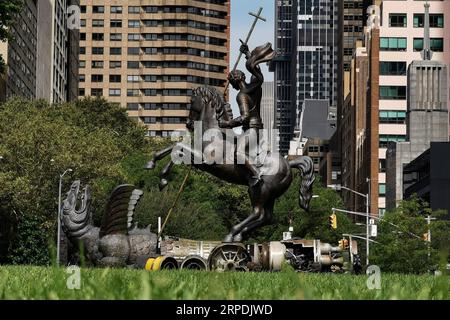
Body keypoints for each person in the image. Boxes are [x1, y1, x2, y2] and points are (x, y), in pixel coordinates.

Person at [218, 42, 276, 187]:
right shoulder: (255, 87)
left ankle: (256, 174)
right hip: (257, 128)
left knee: (238, 153)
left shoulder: (241, 96)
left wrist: (227, 123)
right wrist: (248, 54)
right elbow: (256, 71)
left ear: (234, 82)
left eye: (231, 82)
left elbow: (245, 117)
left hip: (251, 129)